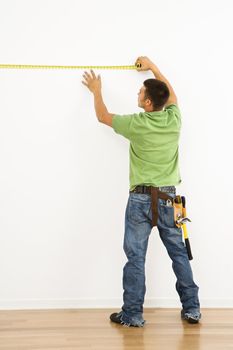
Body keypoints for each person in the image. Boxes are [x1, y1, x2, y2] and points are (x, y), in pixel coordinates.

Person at [82, 56, 201, 327]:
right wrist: (154, 67)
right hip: (170, 199)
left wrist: (96, 91)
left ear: (148, 103)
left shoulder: (137, 124)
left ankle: (133, 314)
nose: (137, 92)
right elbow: (170, 95)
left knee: (136, 258)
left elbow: (102, 116)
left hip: (140, 200)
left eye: (141, 92)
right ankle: (192, 309)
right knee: (179, 254)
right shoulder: (174, 120)